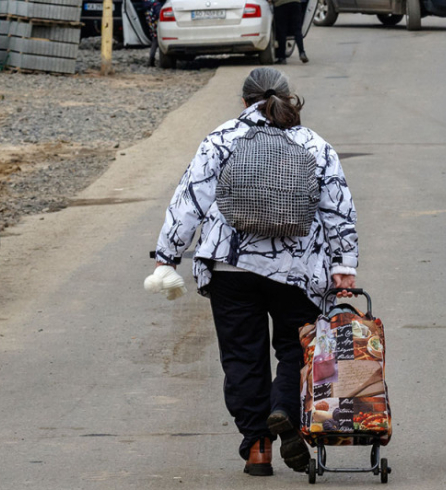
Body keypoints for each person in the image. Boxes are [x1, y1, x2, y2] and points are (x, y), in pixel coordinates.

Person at [149, 67, 358, 475]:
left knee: (242, 356)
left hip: (232, 268)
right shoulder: (314, 144)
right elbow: (338, 208)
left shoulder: (222, 138)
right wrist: (344, 264)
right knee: (296, 349)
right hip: (297, 270)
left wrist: (167, 255)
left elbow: (190, 197)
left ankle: (258, 446)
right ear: (286, 99)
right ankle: (284, 409)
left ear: (245, 102)